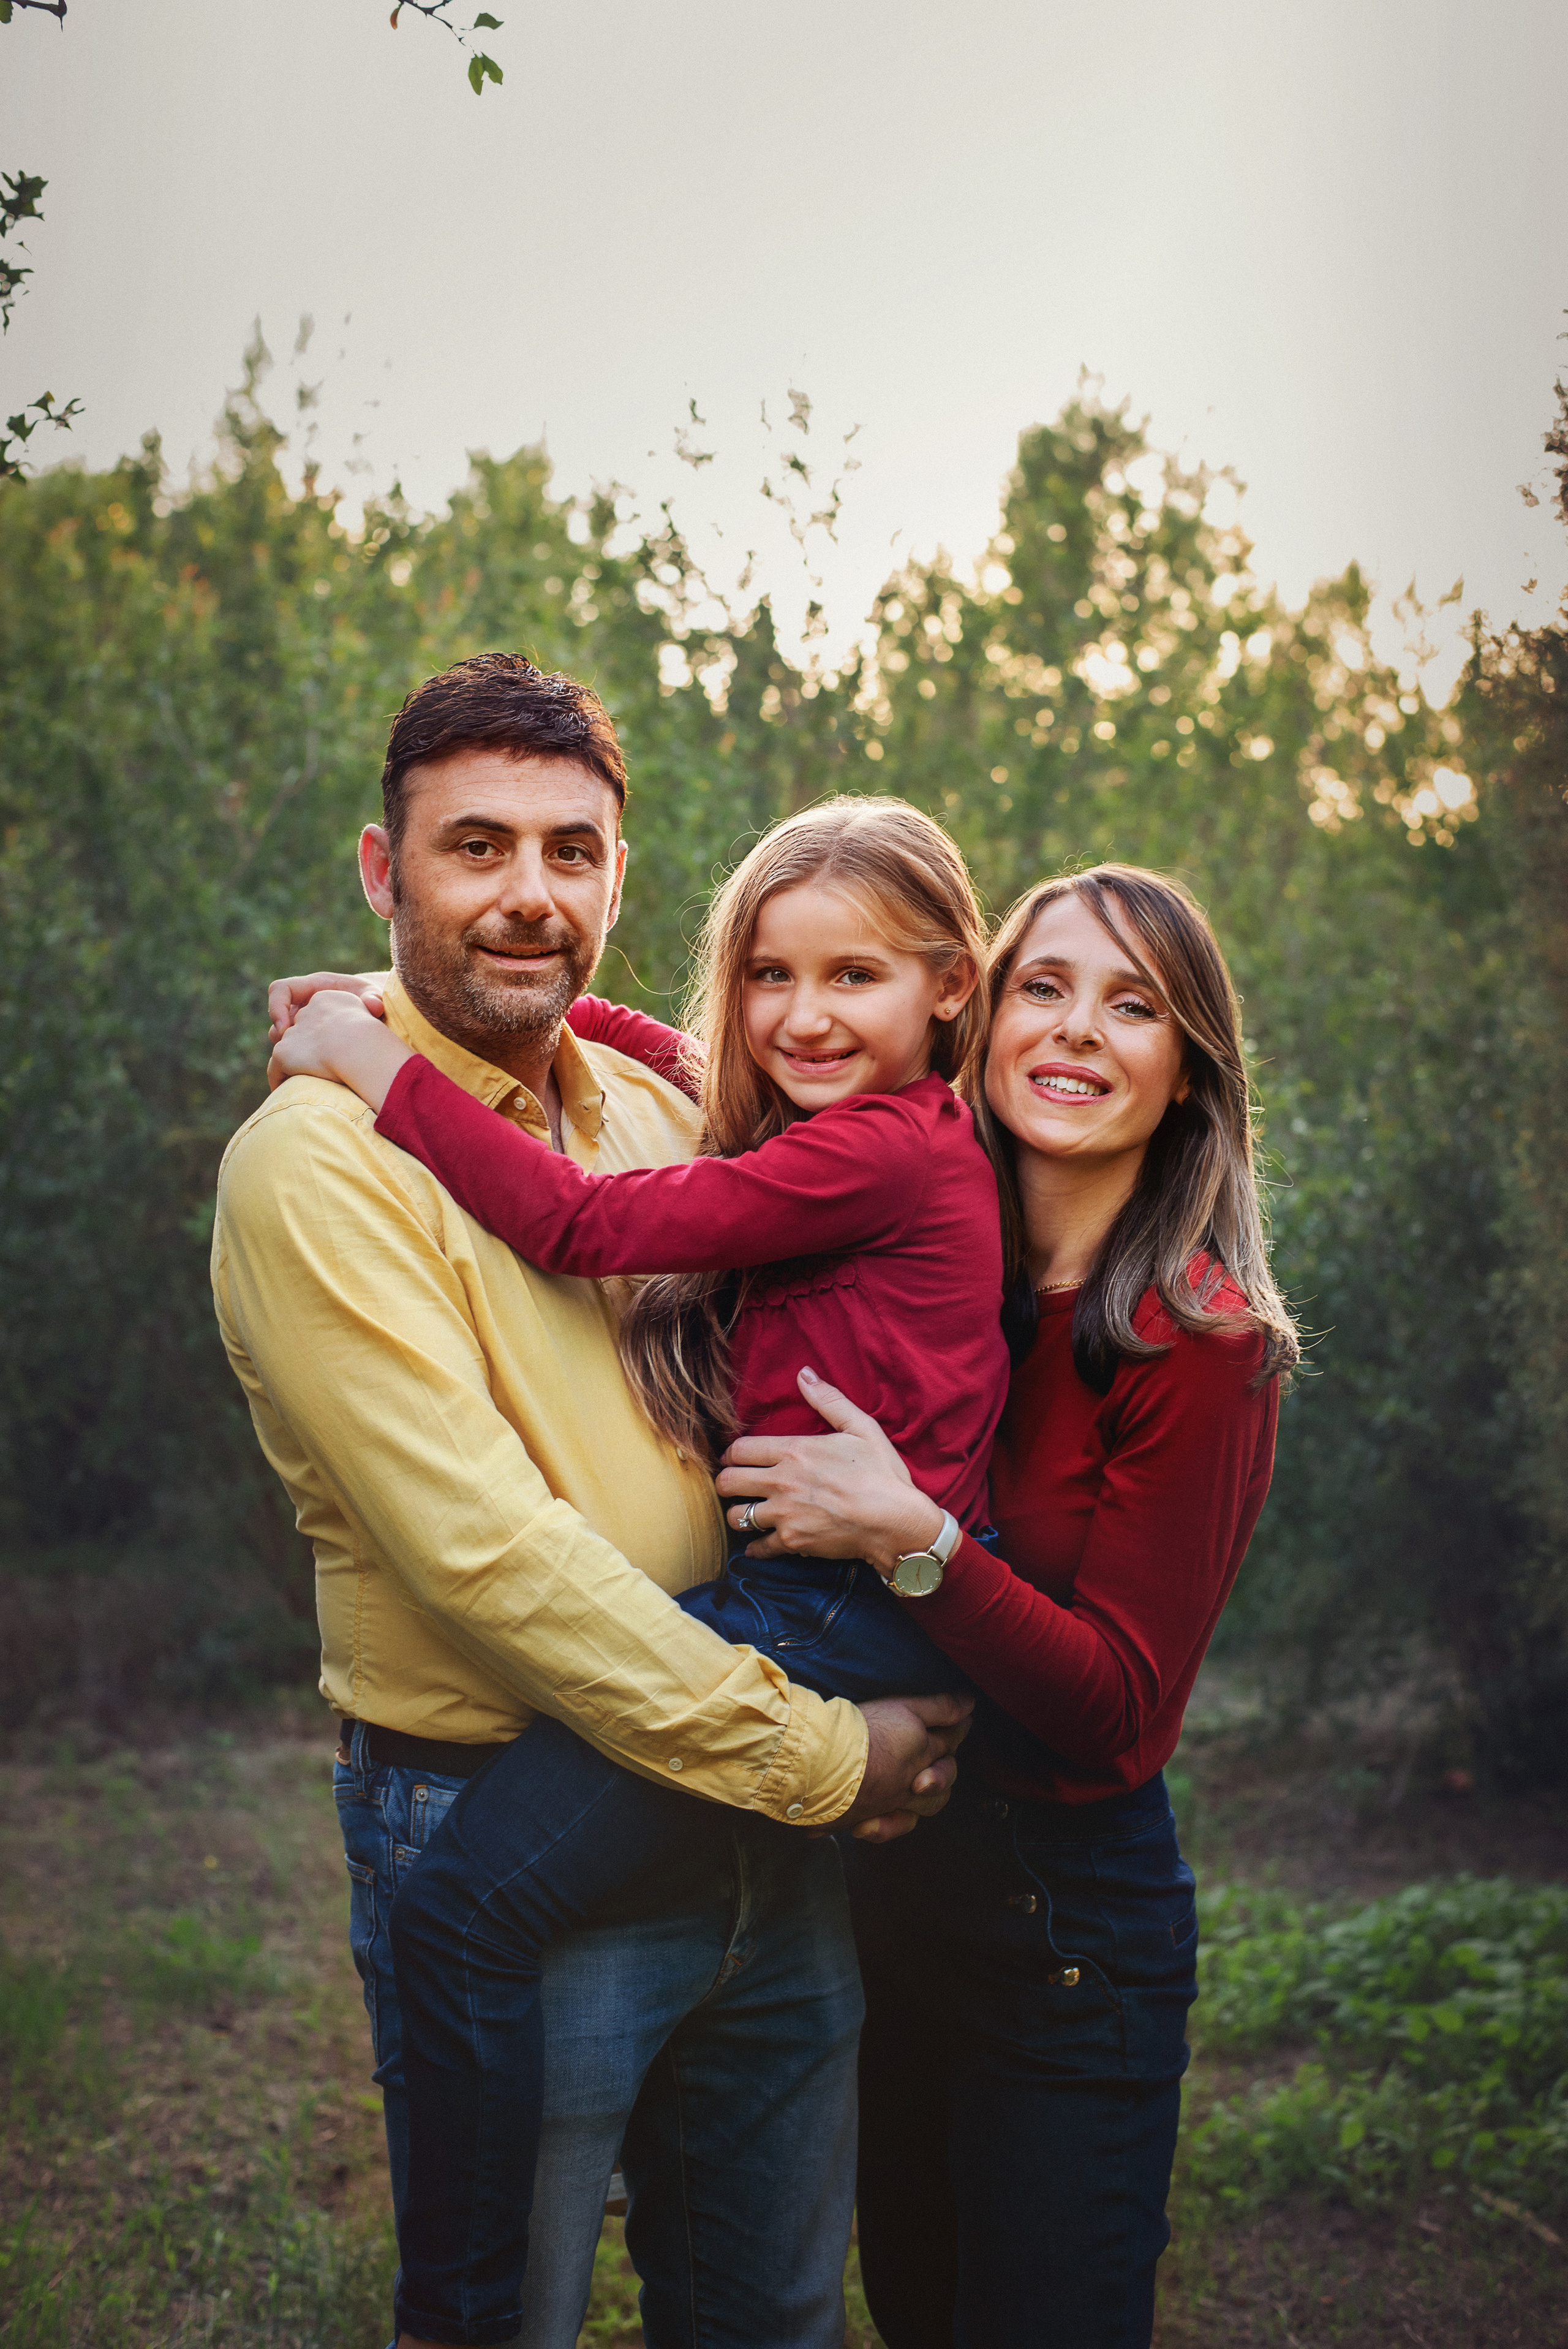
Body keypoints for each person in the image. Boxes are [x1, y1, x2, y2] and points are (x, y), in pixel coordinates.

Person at [213, 653, 968, 2349]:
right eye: (475, 848)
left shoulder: (646, 1111)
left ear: (621, 874)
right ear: (380, 870)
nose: (528, 896)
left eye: (572, 852)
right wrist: (825, 1758)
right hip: (519, 1807)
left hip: (757, 1831)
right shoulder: (316, 1164)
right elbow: (496, 1565)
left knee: (769, 2315)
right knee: (507, 2323)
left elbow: (731, 1058)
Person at [706, 866, 1300, 2349]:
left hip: (1063, 1930)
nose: (1076, 1032)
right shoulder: (935, 1252)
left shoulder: (1197, 1341)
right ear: (979, 1013)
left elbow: (1117, 1704)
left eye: (1132, 1005)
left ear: (1186, 1074)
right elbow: (723, 1070)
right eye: (1045, 987)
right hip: (891, 1897)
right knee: (913, 2308)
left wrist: (913, 1540)